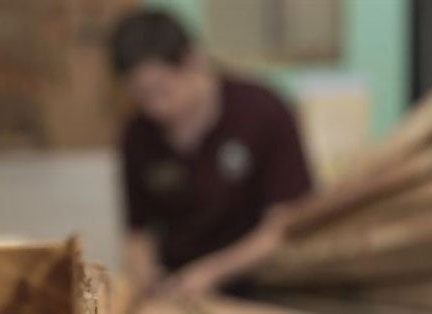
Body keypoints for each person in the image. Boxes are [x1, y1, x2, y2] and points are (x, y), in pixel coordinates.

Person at [109, 9, 313, 297]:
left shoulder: (264, 112)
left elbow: (286, 225)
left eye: (161, 90)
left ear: (194, 62)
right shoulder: (137, 134)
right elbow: (138, 232)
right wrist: (145, 275)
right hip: (178, 290)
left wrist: (210, 273)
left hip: (262, 287)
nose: (154, 108)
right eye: (141, 96)